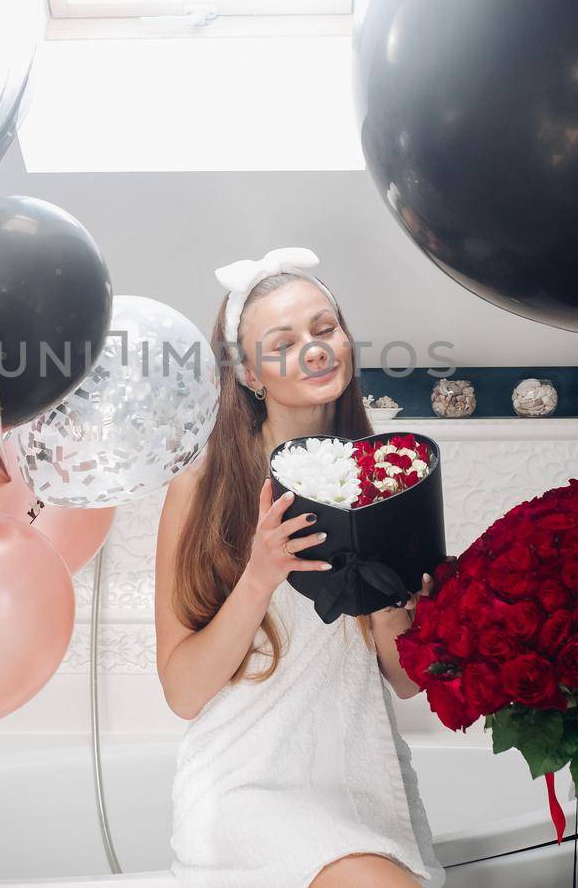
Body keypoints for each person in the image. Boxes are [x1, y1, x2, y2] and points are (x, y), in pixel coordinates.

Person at [158, 247, 446, 886]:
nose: (314, 351)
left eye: (324, 329)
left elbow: (404, 681)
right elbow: (182, 692)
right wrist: (261, 572)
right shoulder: (202, 485)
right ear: (250, 373)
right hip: (244, 782)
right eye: (282, 343)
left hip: (359, 773)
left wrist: (408, 602)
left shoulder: (384, 474)